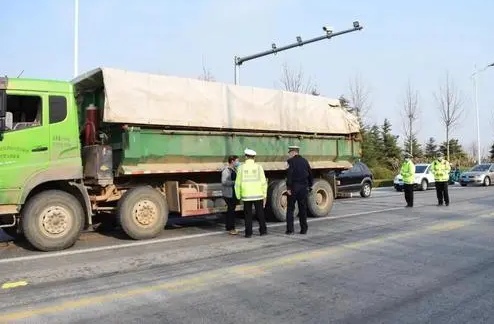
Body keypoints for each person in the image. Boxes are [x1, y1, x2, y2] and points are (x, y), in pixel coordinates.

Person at [235, 148, 268, 238]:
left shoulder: (241, 168)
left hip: (246, 196)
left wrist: (238, 196)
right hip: (258, 195)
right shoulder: (259, 167)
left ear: (246, 157)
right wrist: (264, 195)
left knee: (248, 215)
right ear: (254, 157)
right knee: (260, 213)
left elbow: (237, 183)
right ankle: (263, 231)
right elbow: (263, 182)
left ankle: (248, 233)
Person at [286, 145, 313, 235]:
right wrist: (310, 185)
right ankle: (304, 229)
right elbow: (310, 174)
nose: (289, 154)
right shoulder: (305, 161)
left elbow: (289, 175)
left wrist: (288, 187)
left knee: (290, 209)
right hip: (303, 188)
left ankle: (290, 230)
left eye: (289, 152)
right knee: (302, 209)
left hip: (293, 188)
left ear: (294, 152)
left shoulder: (290, 162)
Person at [221, 155, 240, 235]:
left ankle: (229, 226)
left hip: (233, 193)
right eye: (237, 161)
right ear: (232, 161)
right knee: (231, 210)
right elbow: (224, 182)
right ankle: (231, 228)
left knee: (231, 210)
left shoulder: (234, 169)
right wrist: (234, 182)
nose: (238, 162)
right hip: (229, 193)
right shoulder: (226, 171)